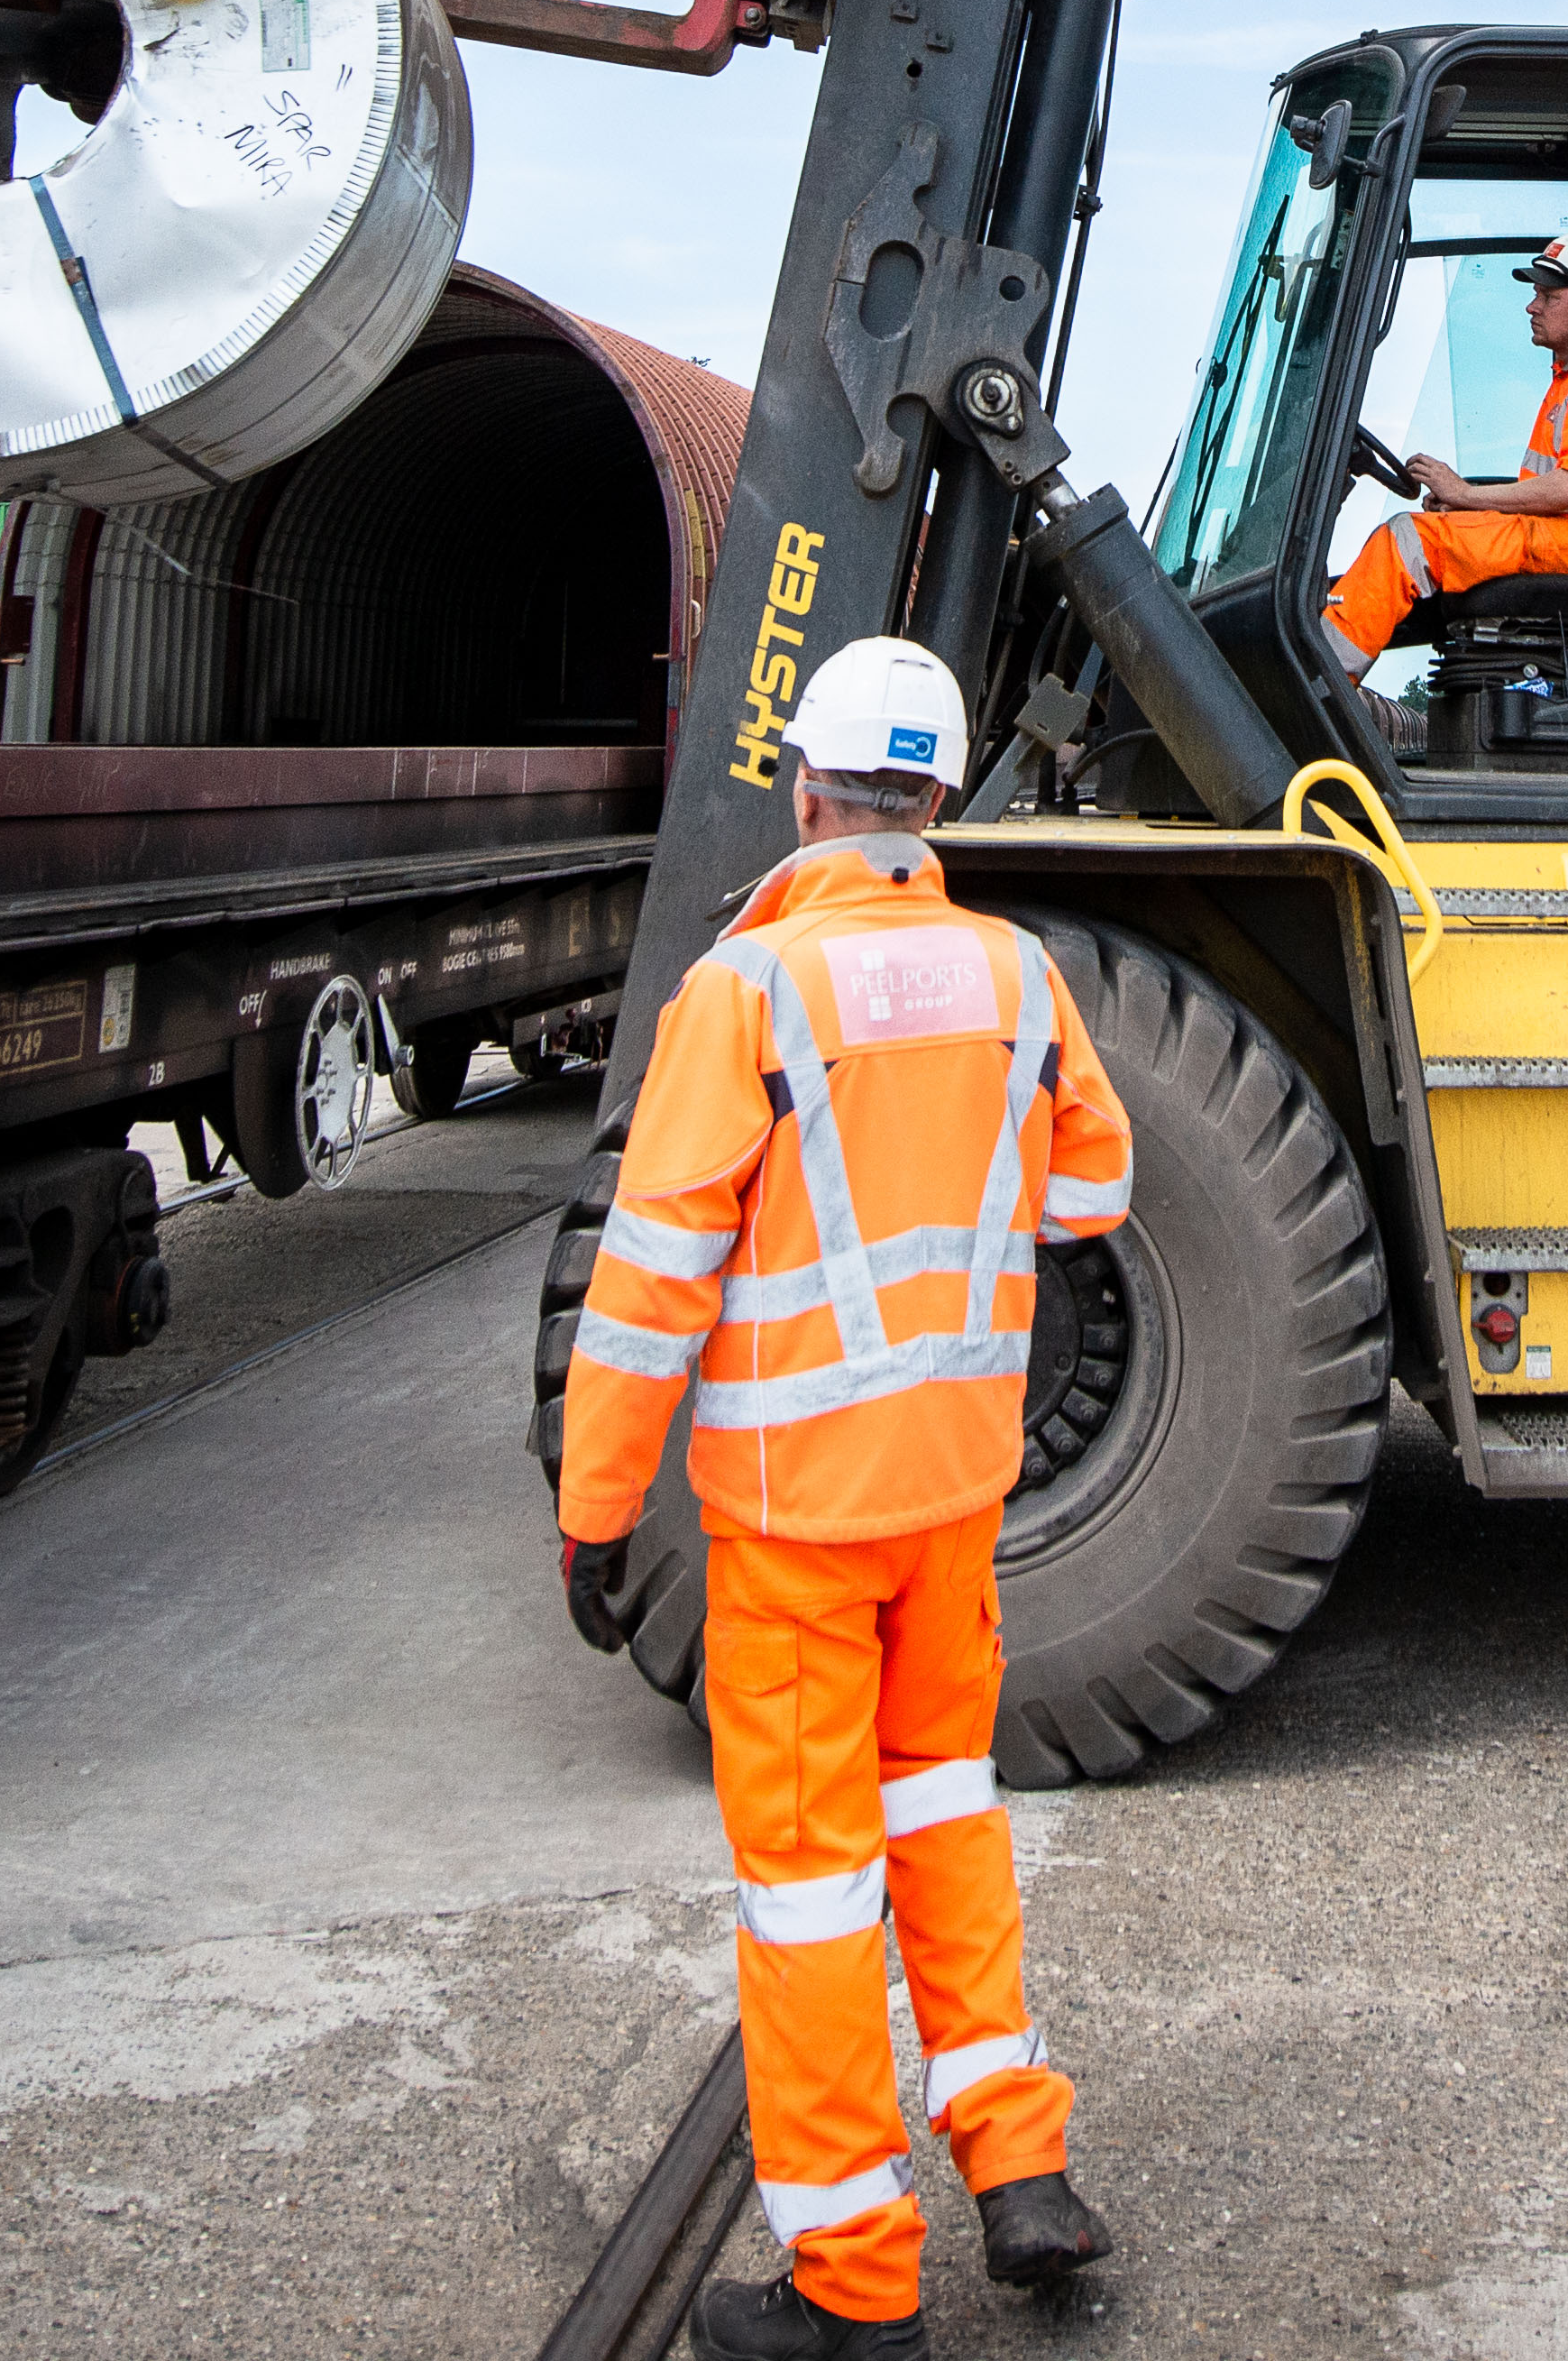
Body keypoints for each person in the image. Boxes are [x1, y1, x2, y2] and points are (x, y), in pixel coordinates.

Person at [558, 637, 1137, 2355]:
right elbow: (1092, 1185)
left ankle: (857, 2284)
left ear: (807, 791)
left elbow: (652, 1278)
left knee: (810, 1885)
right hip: (955, 1494)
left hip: (798, 1516)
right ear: (939, 799)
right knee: (945, 1806)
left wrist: (595, 1510)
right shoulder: (1019, 975)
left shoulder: (745, 994)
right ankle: (1018, 2165)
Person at [1321, 226, 1568, 664]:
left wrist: (1467, 494)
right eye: (1536, 294)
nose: (1532, 306)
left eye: (1550, 297)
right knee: (1421, 537)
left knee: (1408, 540)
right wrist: (1472, 508)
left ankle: (1319, 682)